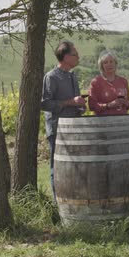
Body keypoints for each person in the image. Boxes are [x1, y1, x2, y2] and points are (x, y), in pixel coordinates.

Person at [41, 41, 86, 200]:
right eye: (75, 54)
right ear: (66, 57)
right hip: (58, 130)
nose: (78, 57)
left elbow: (74, 102)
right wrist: (70, 102)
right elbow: (44, 104)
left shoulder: (72, 76)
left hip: (74, 129)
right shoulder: (51, 77)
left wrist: (80, 106)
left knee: (74, 167)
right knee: (57, 167)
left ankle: (72, 202)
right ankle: (58, 203)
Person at [88, 50, 129, 115]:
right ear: (101, 66)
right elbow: (92, 106)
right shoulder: (96, 82)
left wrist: (126, 103)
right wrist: (108, 105)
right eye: (105, 62)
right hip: (104, 122)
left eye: (111, 61)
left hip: (123, 121)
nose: (109, 64)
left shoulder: (123, 81)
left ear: (115, 63)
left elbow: (128, 105)